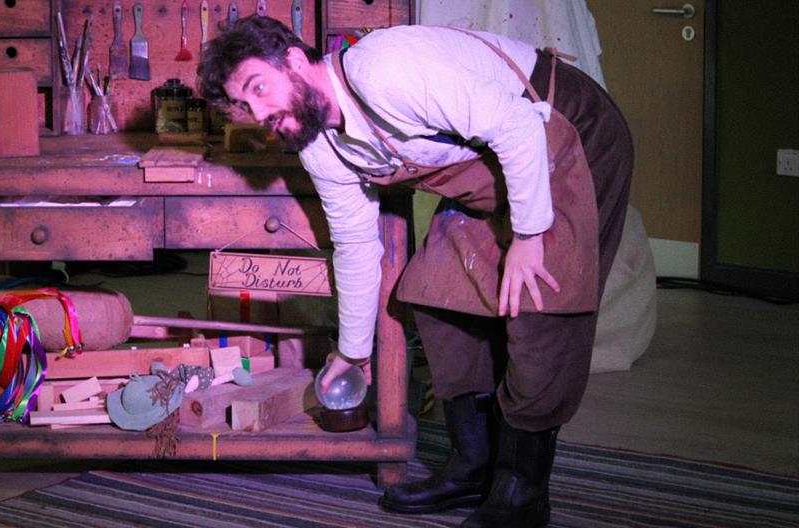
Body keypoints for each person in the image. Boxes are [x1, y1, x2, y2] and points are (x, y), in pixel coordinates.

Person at [199, 15, 632, 528]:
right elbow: (356, 246)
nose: (260, 114)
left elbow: (517, 125)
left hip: (566, 136)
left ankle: (522, 494)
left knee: (539, 309)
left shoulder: (387, 71)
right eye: (245, 105)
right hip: (495, 173)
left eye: (259, 88)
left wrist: (529, 236)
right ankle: (473, 468)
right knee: (436, 291)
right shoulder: (320, 146)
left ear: (294, 61)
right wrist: (352, 353)